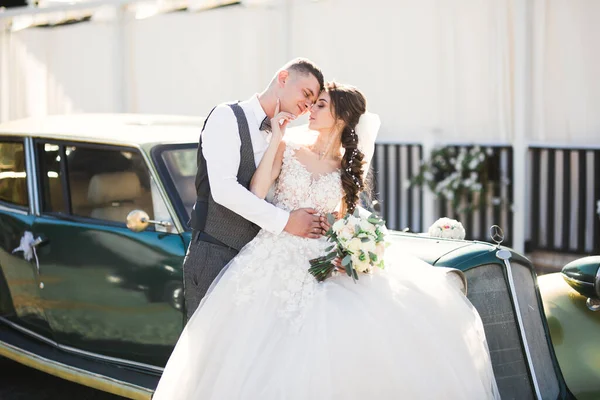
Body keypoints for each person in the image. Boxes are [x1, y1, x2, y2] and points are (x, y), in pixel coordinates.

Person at [154, 82, 500, 399]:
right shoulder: (287, 148)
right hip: (275, 254)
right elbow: (257, 193)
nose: (311, 110)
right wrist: (276, 137)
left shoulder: (346, 166)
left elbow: (343, 218)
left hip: (322, 259)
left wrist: (349, 249)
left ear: (341, 116)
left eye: (320, 104)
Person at [184, 58, 325, 319]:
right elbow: (224, 190)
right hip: (215, 254)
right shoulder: (227, 116)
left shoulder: (281, 137)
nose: (307, 106)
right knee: (211, 353)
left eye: (313, 102)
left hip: (258, 264)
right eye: (306, 94)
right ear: (283, 78)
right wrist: (286, 222)